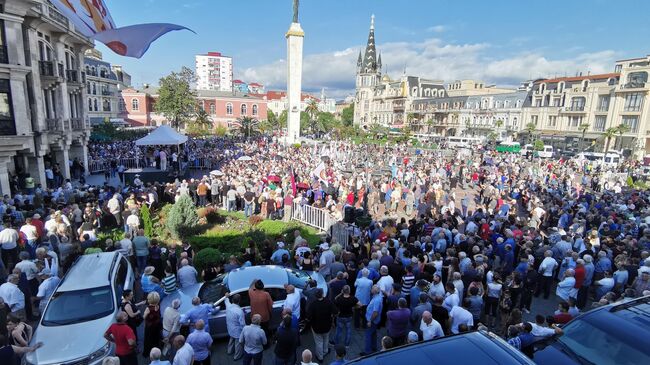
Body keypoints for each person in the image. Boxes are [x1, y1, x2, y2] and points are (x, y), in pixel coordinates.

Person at [308, 288, 336, 362]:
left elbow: (308, 316)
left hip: (317, 327)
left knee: (319, 342)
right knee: (326, 338)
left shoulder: (313, 304)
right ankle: (325, 351)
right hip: (327, 326)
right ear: (322, 294)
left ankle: (320, 357)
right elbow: (335, 311)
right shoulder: (328, 302)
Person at [224, 293, 246, 361]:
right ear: (239, 301)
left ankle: (229, 351)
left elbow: (226, 300)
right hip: (237, 331)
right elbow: (242, 324)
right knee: (238, 344)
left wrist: (226, 296)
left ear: (232, 300)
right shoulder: (239, 311)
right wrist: (245, 331)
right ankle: (237, 356)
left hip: (230, 328)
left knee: (231, 339)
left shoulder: (228, 306)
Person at [362, 285, 383, 355]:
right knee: (374, 333)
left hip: (372, 321)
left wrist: (370, 321)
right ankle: (374, 347)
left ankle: (367, 351)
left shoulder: (377, 300)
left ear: (374, 291)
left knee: (368, 335)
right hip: (375, 320)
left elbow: (375, 312)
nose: (371, 289)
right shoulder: (377, 297)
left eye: (372, 289)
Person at [143, 292, 162, 359]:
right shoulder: (158, 305)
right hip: (157, 325)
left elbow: (144, 317)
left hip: (150, 327)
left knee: (148, 340)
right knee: (156, 339)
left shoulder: (148, 309)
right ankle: (156, 351)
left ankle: (148, 352)